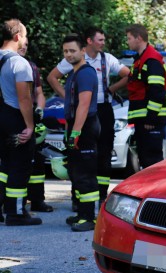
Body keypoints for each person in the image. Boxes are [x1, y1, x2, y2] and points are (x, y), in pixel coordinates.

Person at [47, 27, 129, 206]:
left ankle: (100, 196)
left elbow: (128, 75)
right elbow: (52, 77)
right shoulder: (74, 58)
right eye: (100, 39)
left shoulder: (107, 59)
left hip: (103, 110)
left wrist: (112, 89)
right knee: (78, 154)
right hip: (83, 110)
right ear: (89, 42)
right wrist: (68, 97)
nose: (103, 42)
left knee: (104, 153)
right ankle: (79, 196)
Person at [0, 18, 41, 226]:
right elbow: (24, 98)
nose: (25, 40)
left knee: (3, 165)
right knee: (19, 165)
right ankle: (15, 213)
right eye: (24, 36)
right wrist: (30, 126)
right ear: (17, 37)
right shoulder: (19, 63)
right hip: (14, 117)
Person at [60, 33, 100, 232]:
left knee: (85, 174)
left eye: (72, 50)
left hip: (85, 129)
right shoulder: (74, 73)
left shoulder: (85, 73)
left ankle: (89, 217)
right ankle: (82, 214)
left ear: (83, 51)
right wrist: (69, 133)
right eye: (66, 51)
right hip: (76, 128)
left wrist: (75, 134)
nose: (68, 54)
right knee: (76, 173)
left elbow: (83, 105)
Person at [125, 24, 166, 168]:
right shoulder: (141, 58)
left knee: (152, 163)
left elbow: (157, 91)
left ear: (138, 38)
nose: (127, 42)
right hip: (144, 121)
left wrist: (151, 117)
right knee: (146, 162)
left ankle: (157, 191)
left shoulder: (151, 60)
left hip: (151, 121)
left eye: (129, 38)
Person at [19, 40, 53, 213]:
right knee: (15, 162)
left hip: (32, 118)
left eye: (26, 44)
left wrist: (39, 109)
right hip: (14, 117)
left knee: (37, 162)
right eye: (21, 44)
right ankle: (17, 202)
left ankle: (37, 200)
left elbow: (39, 94)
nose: (24, 47)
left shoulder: (32, 67)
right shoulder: (6, 65)